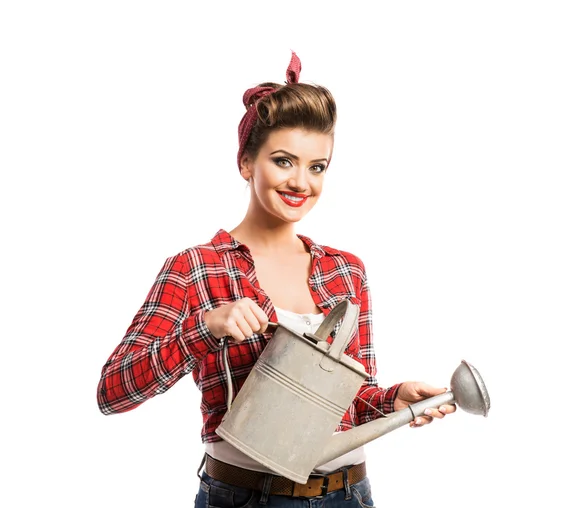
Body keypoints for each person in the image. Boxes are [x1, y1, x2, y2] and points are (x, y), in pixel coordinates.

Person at [97, 51, 456, 507]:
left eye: (317, 166)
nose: (301, 182)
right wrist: (205, 328)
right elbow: (112, 392)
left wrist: (392, 399)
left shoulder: (346, 271)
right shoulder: (196, 269)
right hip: (247, 497)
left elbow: (346, 400)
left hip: (350, 494)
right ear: (246, 163)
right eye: (284, 161)